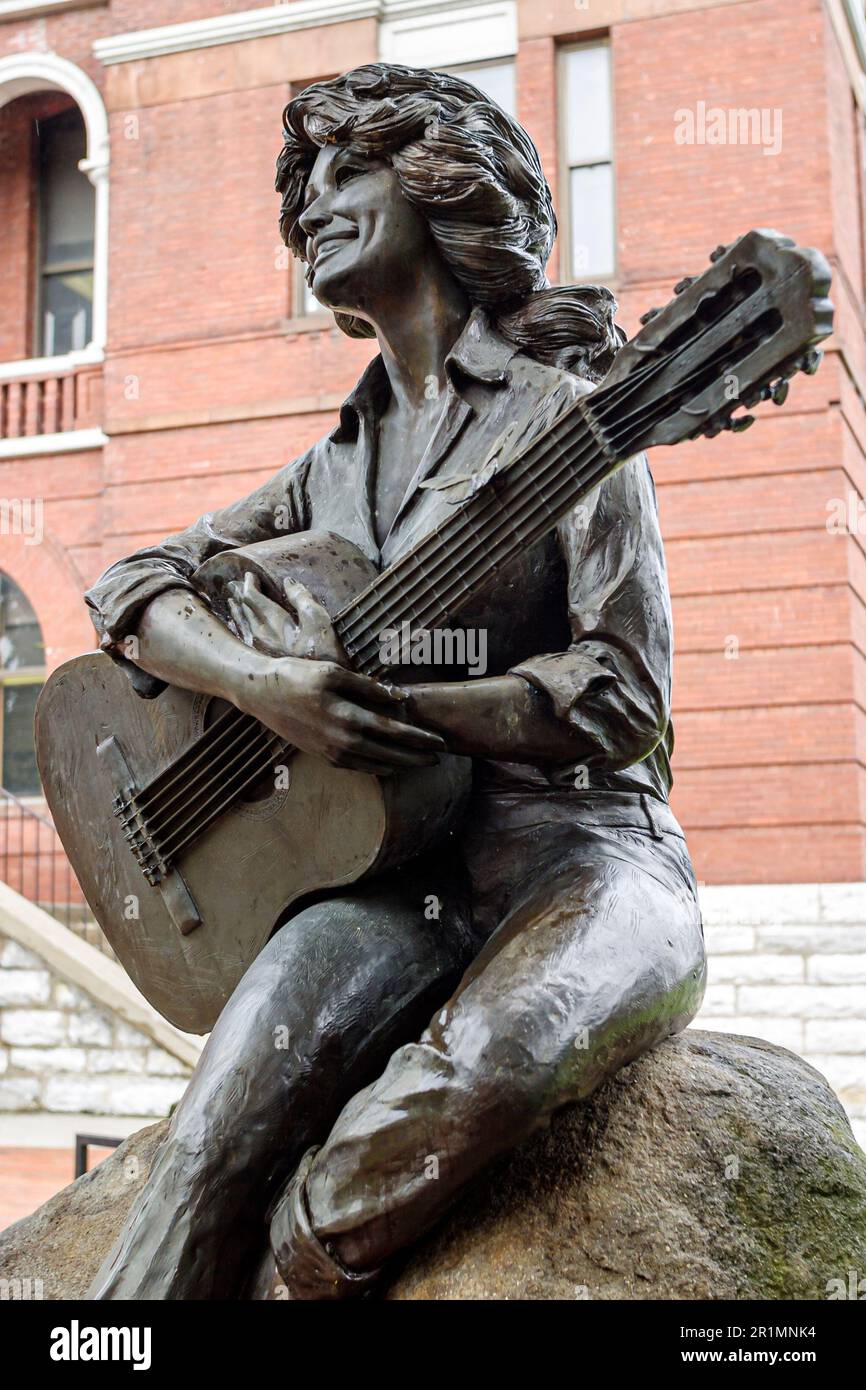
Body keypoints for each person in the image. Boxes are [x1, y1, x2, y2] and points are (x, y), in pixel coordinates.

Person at [85, 63, 705, 1300]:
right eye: (299, 185)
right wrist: (263, 684)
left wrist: (404, 704)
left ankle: (285, 1282)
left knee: (489, 1060)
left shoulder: (568, 423)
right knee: (206, 1141)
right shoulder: (330, 466)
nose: (311, 203)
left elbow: (619, 696)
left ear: (437, 186)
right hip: (390, 871)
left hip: (584, 854)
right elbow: (130, 589)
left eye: (343, 170)